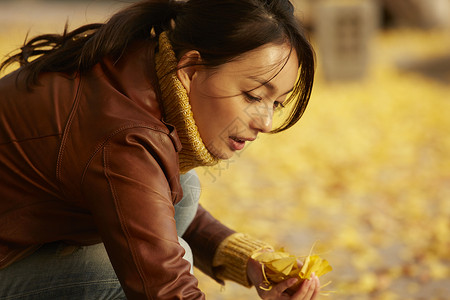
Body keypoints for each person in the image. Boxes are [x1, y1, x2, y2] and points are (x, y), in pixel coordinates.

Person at [0, 0, 317, 299]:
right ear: (191, 69)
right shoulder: (127, 136)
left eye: (277, 103)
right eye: (252, 96)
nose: (266, 122)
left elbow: (144, 203)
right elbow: (165, 290)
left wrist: (249, 258)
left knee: (185, 188)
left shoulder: (140, 62)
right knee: (117, 276)